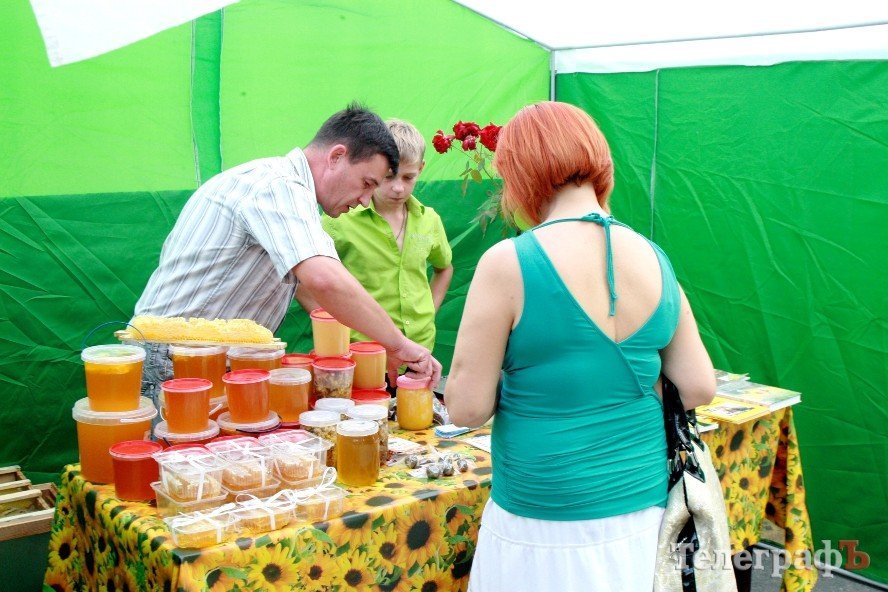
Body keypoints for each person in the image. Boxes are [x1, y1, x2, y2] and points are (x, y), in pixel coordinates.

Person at [444, 102, 715, 591]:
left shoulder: (507, 262)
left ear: (519, 176)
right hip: (641, 515)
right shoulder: (654, 257)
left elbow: (465, 408)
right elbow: (697, 386)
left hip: (539, 522)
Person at [134, 103, 441, 403]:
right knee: (178, 453)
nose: (364, 200)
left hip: (200, 355)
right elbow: (324, 280)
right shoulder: (278, 186)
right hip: (178, 356)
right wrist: (397, 344)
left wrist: (374, 344)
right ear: (336, 156)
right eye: (366, 183)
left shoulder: (285, 188)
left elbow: (314, 287)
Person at [296, 118, 453, 352]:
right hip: (363, 350)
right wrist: (339, 327)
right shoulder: (339, 220)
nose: (398, 188)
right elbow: (302, 283)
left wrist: (429, 309)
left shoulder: (429, 220)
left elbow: (445, 268)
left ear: (420, 169)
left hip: (419, 347)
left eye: (408, 177)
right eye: (389, 177)